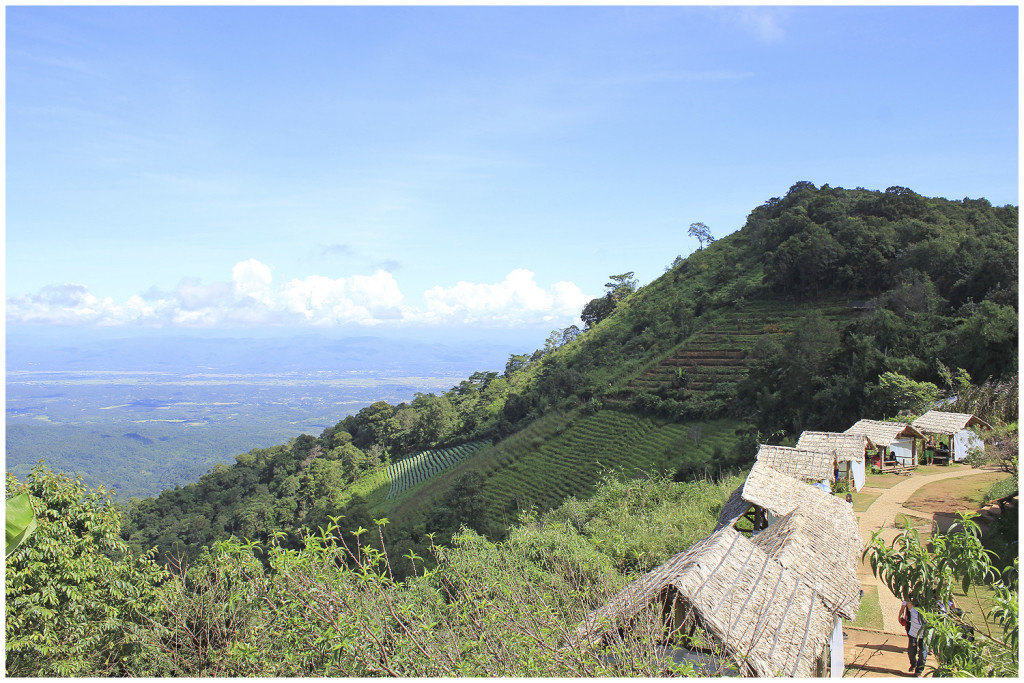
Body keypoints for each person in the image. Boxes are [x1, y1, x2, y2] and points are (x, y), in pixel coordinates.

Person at [901, 597, 928, 676]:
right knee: (911, 652)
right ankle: (913, 664)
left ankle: (918, 671)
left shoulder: (929, 613)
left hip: (924, 637)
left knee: (923, 655)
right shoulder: (913, 610)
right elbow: (907, 600)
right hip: (913, 635)